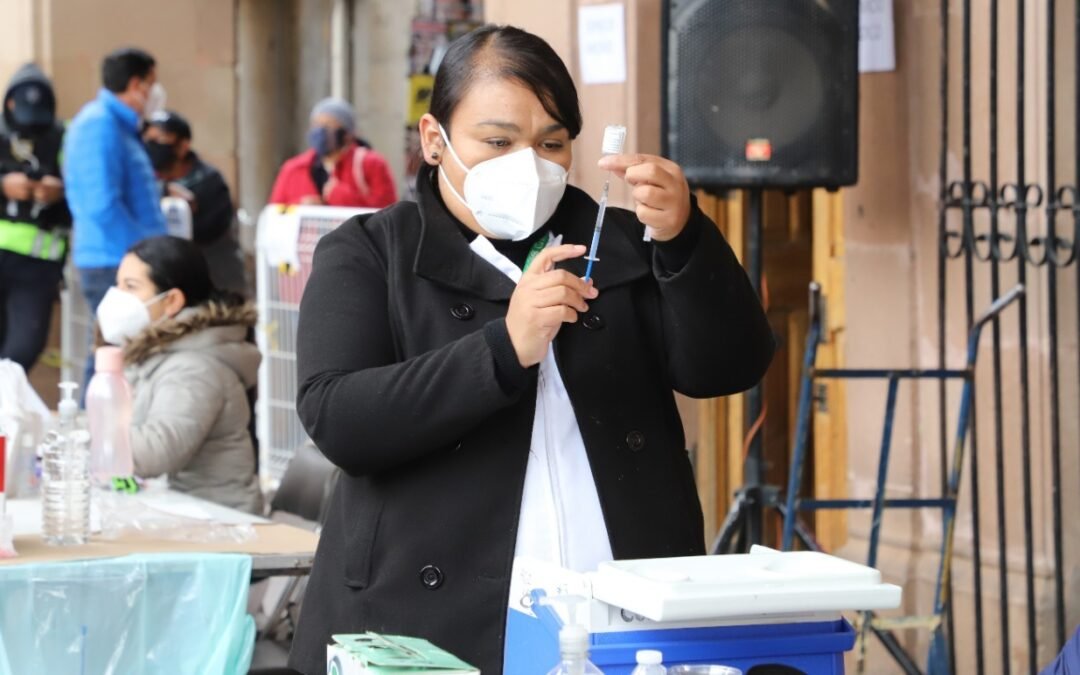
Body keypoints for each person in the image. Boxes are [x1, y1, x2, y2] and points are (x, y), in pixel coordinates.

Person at [287, 25, 774, 675]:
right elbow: (338, 415)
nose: (529, 163)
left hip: (623, 615)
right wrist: (501, 348)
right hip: (431, 624)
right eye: (498, 141)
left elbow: (727, 367)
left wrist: (686, 241)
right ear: (435, 141)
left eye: (551, 143)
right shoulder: (373, 251)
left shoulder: (621, 240)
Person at [95, 235, 262, 514]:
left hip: (217, 521)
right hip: (174, 511)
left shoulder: (196, 367)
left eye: (131, 287)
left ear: (171, 301)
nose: (116, 296)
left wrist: (84, 439)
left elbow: (157, 452)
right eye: (118, 284)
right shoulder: (156, 353)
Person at [63, 47, 167, 391]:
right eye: (151, 83)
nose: (154, 93)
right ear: (136, 84)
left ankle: (97, 433)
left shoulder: (114, 126)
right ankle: (93, 433)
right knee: (112, 355)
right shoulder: (100, 126)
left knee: (115, 353)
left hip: (120, 258)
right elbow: (100, 204)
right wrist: (144, 256)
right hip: (116, 261)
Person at [0, 63, 71, 372]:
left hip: (39, 263)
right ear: (10, 104)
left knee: (24, 347)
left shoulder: (63, 137)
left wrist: (59, 192)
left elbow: (85, 192)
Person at [144, 110, 247, 295]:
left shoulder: (209, 181)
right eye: (149, 139)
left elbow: (214, 228)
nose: (152, 147)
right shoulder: (146, 182)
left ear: (182, 146)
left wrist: (186, 212)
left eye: (160, 139)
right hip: (167, 280)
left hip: (216, 276)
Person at [268, 96, 397, 208]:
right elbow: (275, 214)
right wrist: (302, 206)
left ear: (347, 133)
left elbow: (387, 213)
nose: (320, 131)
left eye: (329, 125)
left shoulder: (371, 164)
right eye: (316, 124)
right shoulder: (293, 169)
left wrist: (341, 196)